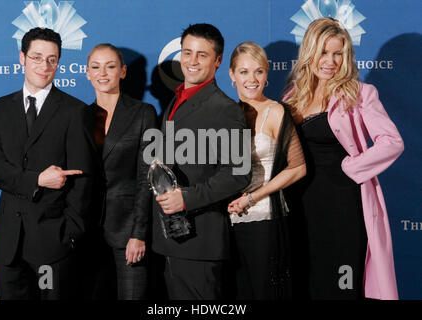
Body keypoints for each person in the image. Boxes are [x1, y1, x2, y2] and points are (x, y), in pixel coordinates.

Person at [283, 18, 404, 300]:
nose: (330, 61)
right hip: (301, 206)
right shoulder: (292, 98)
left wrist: (351, 167)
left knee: (341, 287)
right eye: (323, 52)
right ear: (309, 53)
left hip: (343, 209)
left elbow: (392, 142)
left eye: (338, 53)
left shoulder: (360, 95)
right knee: (307, 284)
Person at [0, 27, 94, 299]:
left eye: (52, 59)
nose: (44, 66)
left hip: (53, 242)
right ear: (22, 58)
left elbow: (84, 179)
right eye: (36, 57)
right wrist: (37, 180)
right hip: (8, 243)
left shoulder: (74, 111)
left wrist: (69, 235)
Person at [151, 23, 251, 300]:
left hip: (200, 242)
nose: (192, 61)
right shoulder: (176, 99)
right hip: (169, 238)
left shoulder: (225, 109)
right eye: (187, 52)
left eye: (202, 55)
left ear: (218, 61)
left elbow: (238, 174)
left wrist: (187, 199)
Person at [227, 42, 306, 299]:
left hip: (263, 221)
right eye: (244, 72)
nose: (252, 79)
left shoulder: (276, 112)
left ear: (267, 74)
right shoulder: (225, 112)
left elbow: (298, 168)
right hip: (225, 224)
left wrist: (252, 197)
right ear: (231, 75)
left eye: (259, 71)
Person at [85, 43, 158, 299]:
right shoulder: (79, 116)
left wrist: (138, 234)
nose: (102, 73)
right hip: (87, 234)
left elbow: (147, 178)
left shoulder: (144, 113)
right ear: (87, 73)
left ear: (123, 72)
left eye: (110, 66)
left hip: (128, 232)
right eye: (96, 67)